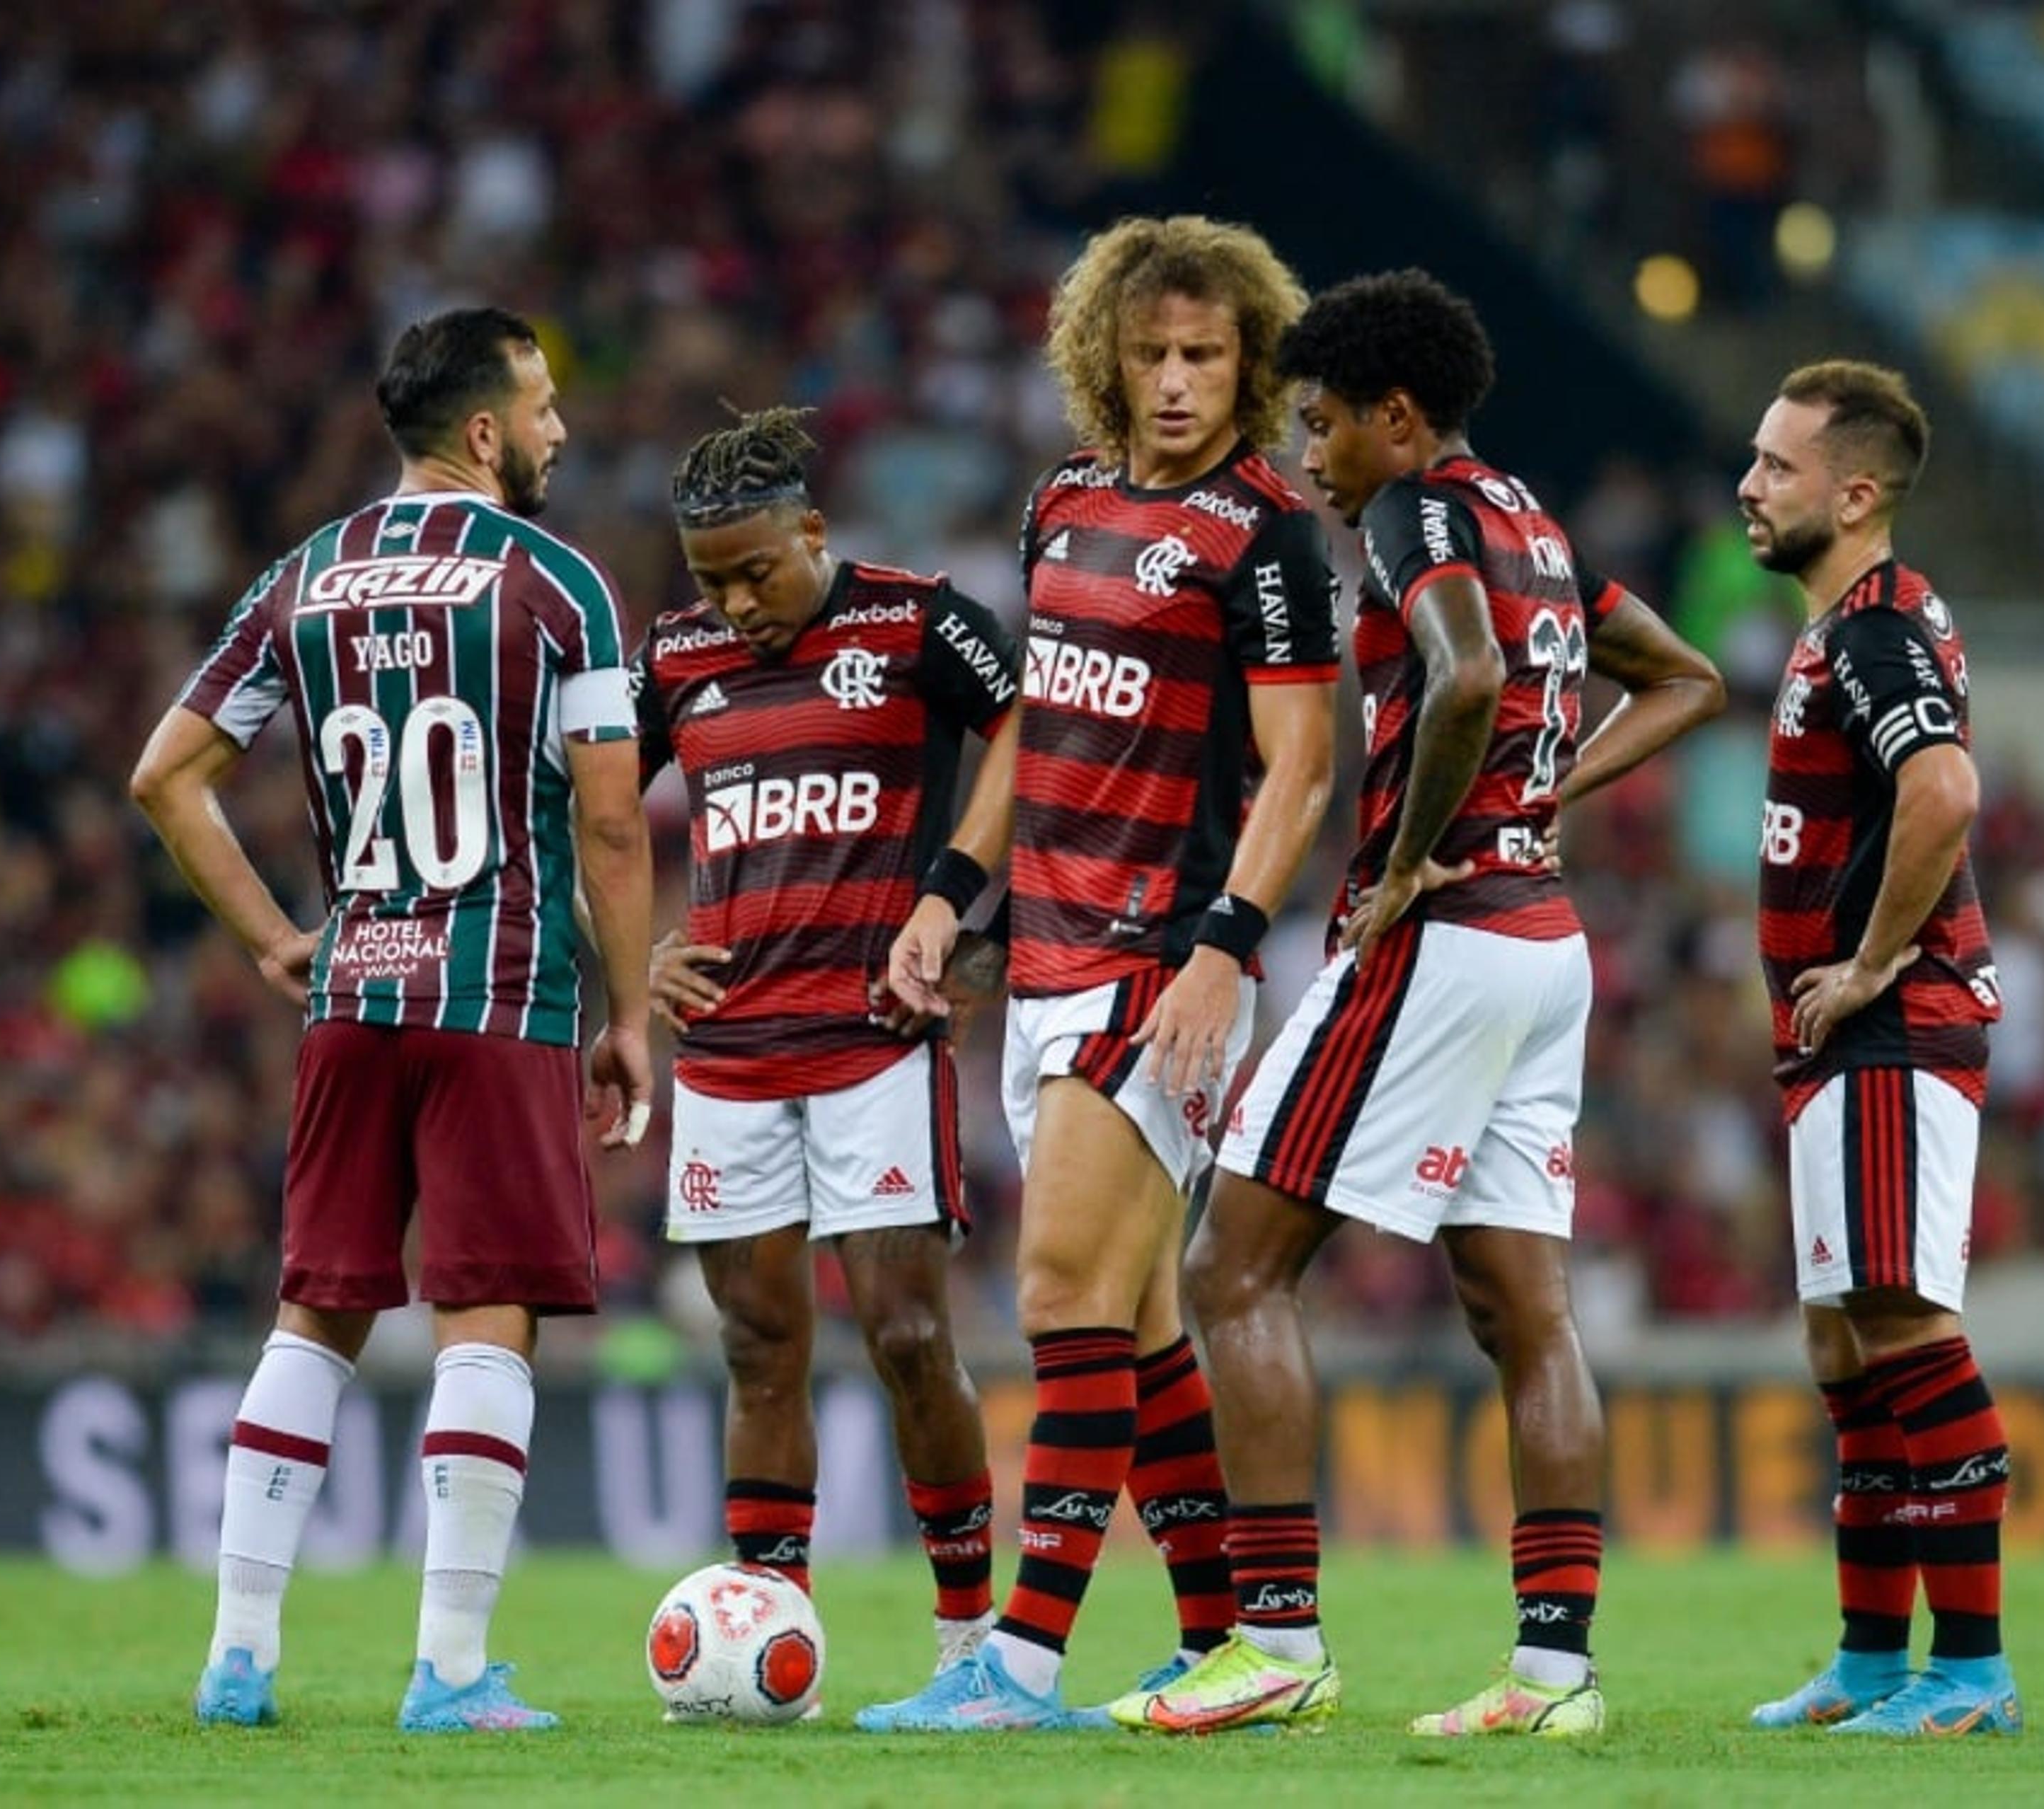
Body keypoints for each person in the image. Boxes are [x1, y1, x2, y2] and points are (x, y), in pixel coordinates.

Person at [1119, 268, 1726, 1738]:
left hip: (1444, 935)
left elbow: (1460, 677)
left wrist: (1402, 860)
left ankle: (1273, 1639)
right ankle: (1555, 1674)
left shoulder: (1425, 513)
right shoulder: (1532, 515)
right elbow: (1687, 677)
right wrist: (1539, 797)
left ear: (1399, 416)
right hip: (1545, 941)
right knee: (1526, 1311)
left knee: (1231, 1269)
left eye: (1323, 425)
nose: (1311, 459)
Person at [129, 306, 654, 1733]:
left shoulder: (303, 578)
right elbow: (611, 821)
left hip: (353, 992)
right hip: (502, 996)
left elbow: (165, 776)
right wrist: (630, 1021)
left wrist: (270, 941)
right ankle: (453, 1669)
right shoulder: (559, 588)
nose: (557, 429)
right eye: (541, 406)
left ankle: (237, 1657)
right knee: (486, 1320)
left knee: (313, 1319)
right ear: (483, 431)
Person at [857, 214, 1341, 1733]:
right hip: (1048, 952)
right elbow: (1040, 729)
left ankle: (1018, 1663)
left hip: (1160, 956)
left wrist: (1226, 947)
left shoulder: (1266, 534)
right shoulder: (1062, 502)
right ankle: (1228, 1644)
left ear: (1249, 365)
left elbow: (1303, 767)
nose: (1182, 382)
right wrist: (950, 887)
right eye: (1155, 355)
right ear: (1106, 361)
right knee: (1132, 1329)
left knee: (1060, 1287)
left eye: (1209, 355)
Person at [634, 405, 1021, 1687]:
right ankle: (770, 1632)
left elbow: (1028, 725)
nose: (737, 599)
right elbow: (587, 808)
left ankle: (969, 1640)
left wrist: (950, 894)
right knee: (758, 1344)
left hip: (872, 1037)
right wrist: (638, 951)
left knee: (908, 1336)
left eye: (758, 568)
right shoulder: (674, 655)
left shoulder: (916, 620)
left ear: (814, 528)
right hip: (728, 1049)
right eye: (713, 577)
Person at [1734, 359, 2021, 1737]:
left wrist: (1872, 958)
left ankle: (1969, 1671)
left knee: (1904, 1323)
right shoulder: (1846, 623)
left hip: (1895, 1031)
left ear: (1855, 495)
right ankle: (1867, 1660)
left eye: (1778, 466)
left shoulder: (1876, 629)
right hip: (1843, 1046)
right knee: (1847, 1344)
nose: (1749, 484)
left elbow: (1946, 786)